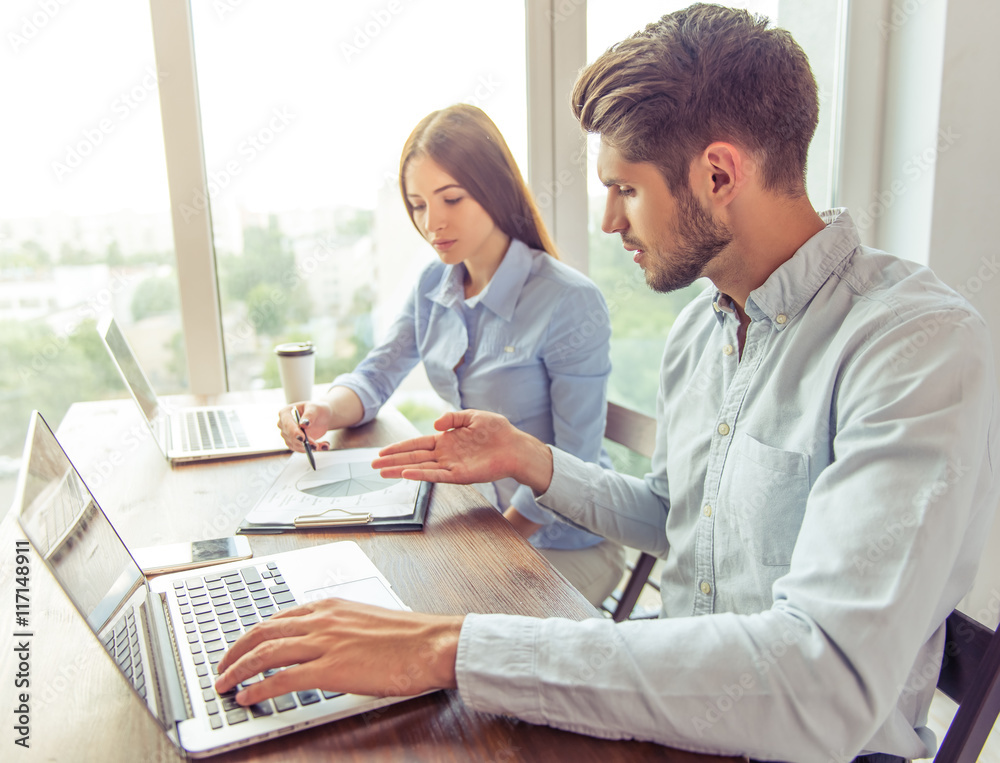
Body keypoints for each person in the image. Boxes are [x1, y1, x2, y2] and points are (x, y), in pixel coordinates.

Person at [218, 5, 1000, 761]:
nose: (607, 222)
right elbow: (675, 515)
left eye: (625, 188)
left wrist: (447, 645)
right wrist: (530, 457)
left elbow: (820, 680)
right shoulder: (701, 331)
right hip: (681, 719)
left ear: (719, 173)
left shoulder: (911, 343)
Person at [276, 103, 625, 606]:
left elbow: (576, 460)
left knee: (441, 627)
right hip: (484, 520)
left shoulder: (567, 300)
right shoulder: (433, 285)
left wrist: (487, 547)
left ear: (493, 189)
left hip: (565, 541)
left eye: (451, 199)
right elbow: (378, 372)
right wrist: (325, 412)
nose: (432, 222)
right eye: (418, 205)